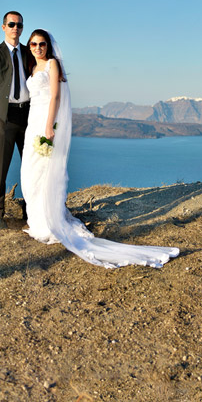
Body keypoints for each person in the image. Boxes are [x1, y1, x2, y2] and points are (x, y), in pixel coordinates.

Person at [20, 29, 179, 268]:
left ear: (48, 46)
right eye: (33, 44)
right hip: (33, 122)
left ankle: (47, 224)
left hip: (45, 121)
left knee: (45, 172)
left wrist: (50, 127)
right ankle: (36, 220)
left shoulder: (52, 64)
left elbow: (55, 97)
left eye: (41, 44)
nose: (37, 48)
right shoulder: (32, 68)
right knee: (31, 172)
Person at [0, 11, 31, 230]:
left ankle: (31, 211)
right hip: (5, 117)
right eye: (11, 24)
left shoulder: (30, 53)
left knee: (31, 168)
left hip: (29, 116)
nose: (15, 28)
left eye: (19, 25)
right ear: (3, 27)